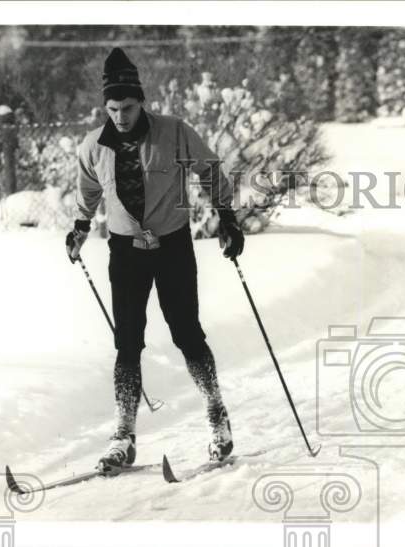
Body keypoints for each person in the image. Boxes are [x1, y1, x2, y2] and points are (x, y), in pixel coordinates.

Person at [65, 48, 245, 473]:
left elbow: (212, 170)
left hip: (173, 247)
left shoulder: (174, 132)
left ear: (141, 101)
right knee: (127, 343)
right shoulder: (94, 146)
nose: (120, 117)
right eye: (112, 109)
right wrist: (79, 227)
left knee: (186, 333)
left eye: (127, 107)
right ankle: (123, 435)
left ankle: (217, 414)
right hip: (125, 253)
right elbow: (89, 192)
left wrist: (228, 217)